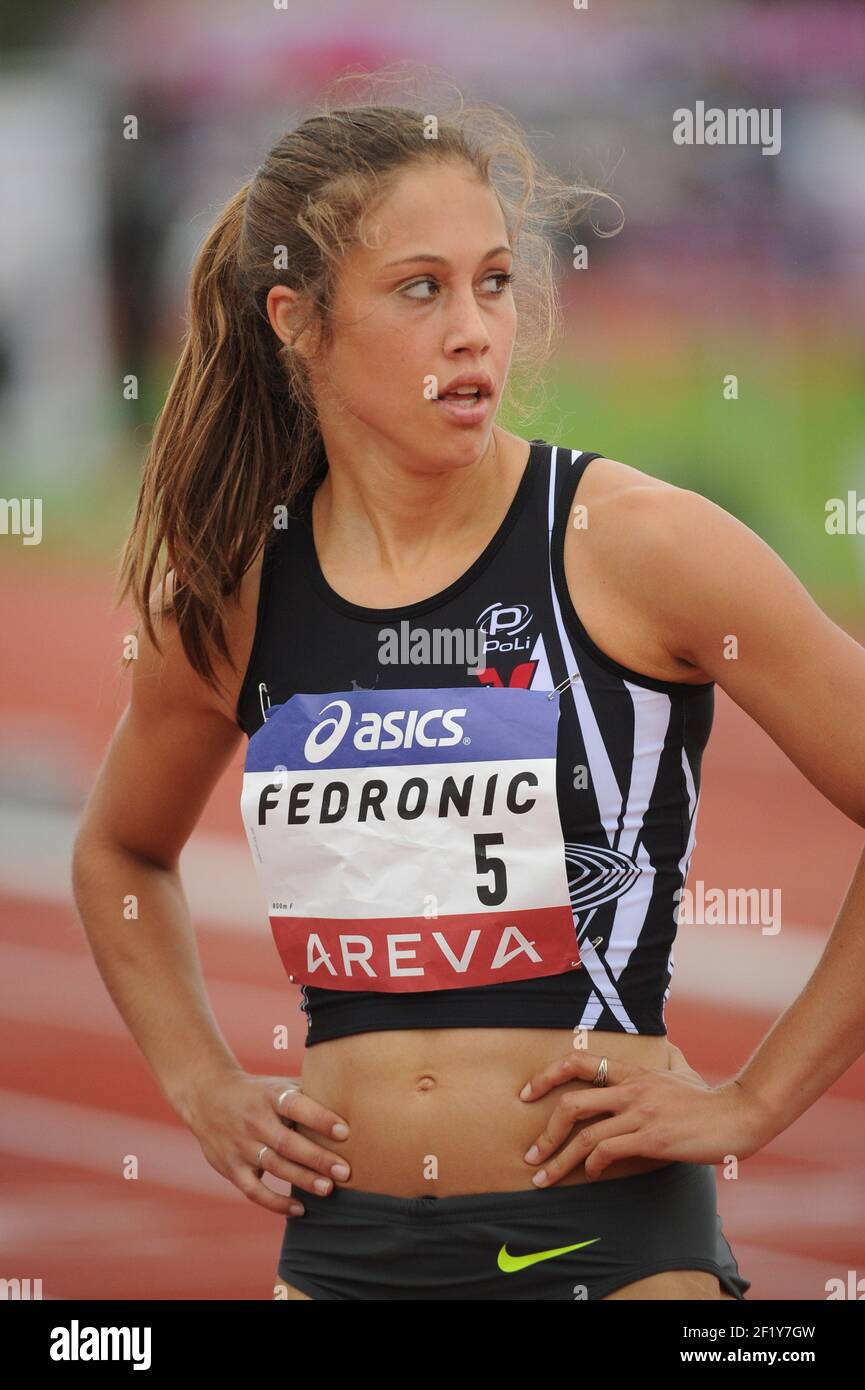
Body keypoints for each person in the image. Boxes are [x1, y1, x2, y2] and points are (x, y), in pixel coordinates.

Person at [72, 92, 865, 1303]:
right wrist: (201, 1084)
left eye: (493, 281)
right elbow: (121, 850)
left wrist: (754, 1101)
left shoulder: (634, 545)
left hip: (609, 1242)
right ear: (298, 321)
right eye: (419, 288)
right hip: (345, 1252)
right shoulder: (241, 592)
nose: (474, 330)